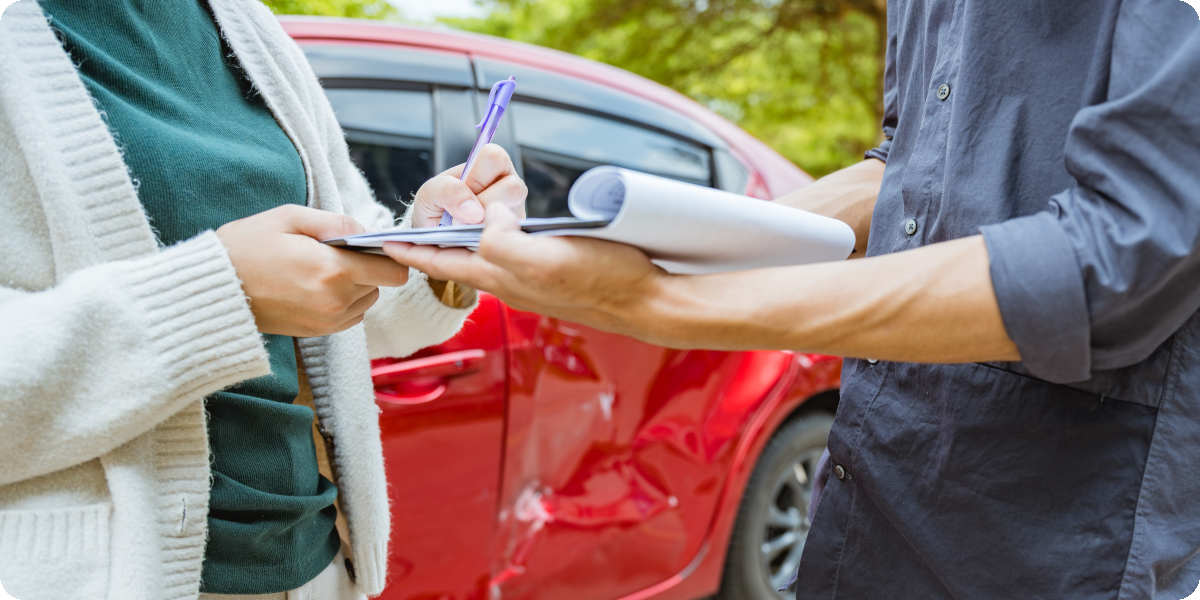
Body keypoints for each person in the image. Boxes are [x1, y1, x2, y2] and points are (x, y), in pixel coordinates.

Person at [384, 1, 1200, 598]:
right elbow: (904, 167)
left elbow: (1123, 250)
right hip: (872, 501)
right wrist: (669, 239)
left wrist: (664, 306)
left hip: (1052, 542)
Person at [0, 1, 525, 600]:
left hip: (310, 563)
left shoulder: (243, 22)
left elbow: (345, 301)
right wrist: (221, 295)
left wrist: (434, 242)